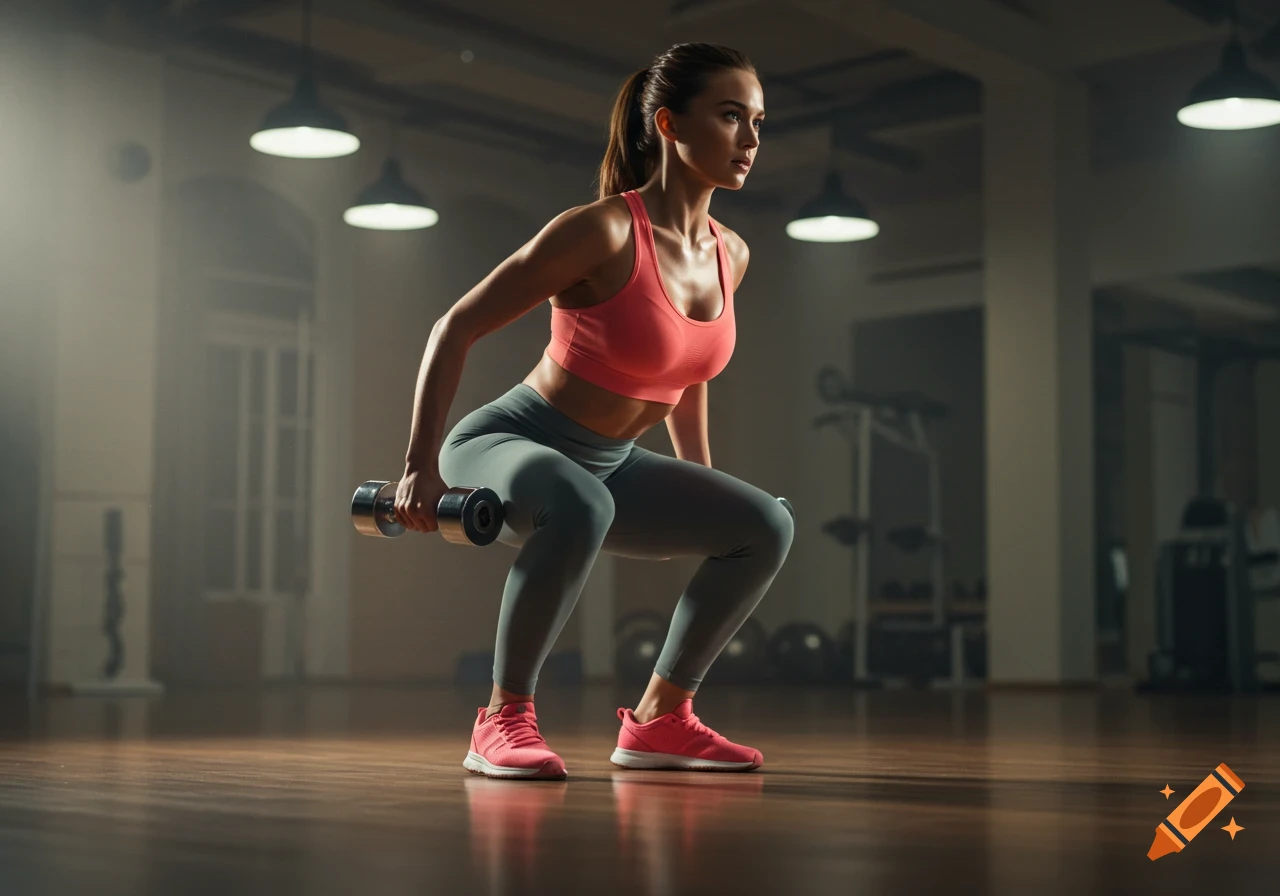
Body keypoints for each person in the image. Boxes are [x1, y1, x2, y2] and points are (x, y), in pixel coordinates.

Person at [393, 43, 792, 779]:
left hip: (610, 466)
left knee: (764, 522)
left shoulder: (728, 253)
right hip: (508, 443)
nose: (751, 139)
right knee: (579, 503)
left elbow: (687, 369)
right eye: (731, 115)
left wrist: (698, 478)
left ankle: (661, 720)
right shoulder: (603, 230)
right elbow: (455, 326)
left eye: (759, 120)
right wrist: (418, 466)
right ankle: (500, 720)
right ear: (669, 124)